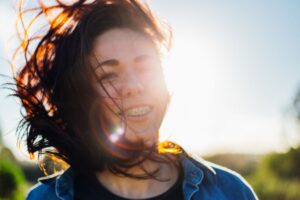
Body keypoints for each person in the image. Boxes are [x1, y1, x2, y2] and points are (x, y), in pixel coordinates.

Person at [13, 0, 258, 199]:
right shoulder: (44, 198)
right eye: (109, 75)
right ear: (84, 95)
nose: (134, 86)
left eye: (145, 67)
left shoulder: (231, 191)